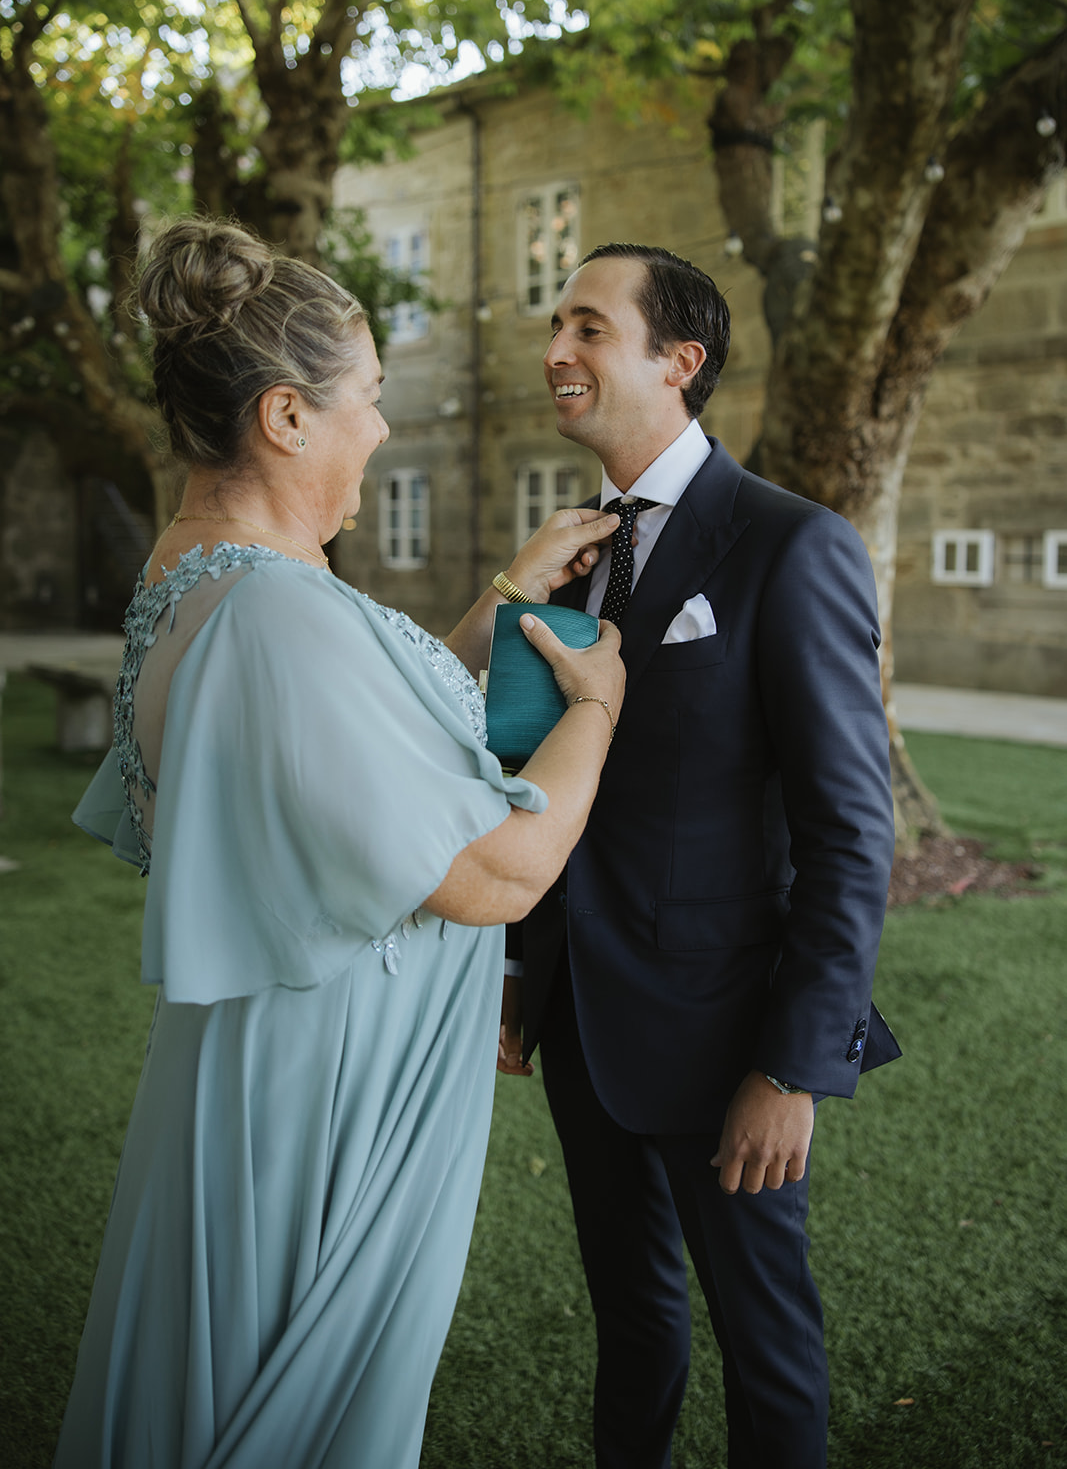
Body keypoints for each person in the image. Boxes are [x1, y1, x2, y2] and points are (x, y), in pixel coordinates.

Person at [53, 217, 625, 1469]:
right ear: (285, 417)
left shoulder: (200, 571)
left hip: (262, 1058)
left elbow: (365, 729)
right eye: (367, 400)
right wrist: (593, 711)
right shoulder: (273, 611)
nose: (378, 427)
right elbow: (493, 872)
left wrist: (503, 600)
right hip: (331, 1086)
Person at [500, 243, 901, 1469]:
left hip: (727, 1034)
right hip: (577, 1015)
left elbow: (848, 829)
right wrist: (525, 971)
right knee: (630, 1324)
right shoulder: (573, 545)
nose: (555, 352)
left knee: (763, 1343)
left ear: (679, 363)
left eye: (586, 328)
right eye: (554, 326)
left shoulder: (791, 544)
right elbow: (564, 778)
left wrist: (793, 1067)